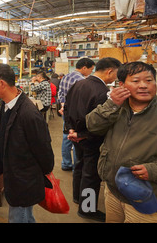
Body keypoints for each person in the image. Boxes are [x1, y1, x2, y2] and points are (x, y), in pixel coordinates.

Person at [86, 62, 157, 223]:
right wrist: (112, 104)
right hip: (113, 192)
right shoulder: (117, 109)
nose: (143, 86)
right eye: (136, 81)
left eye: (149, 80)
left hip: (147, 197)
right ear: (121, 85)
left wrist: (155, 170)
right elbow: (92, 125)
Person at [0, 63, 54, 223]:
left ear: (2, 83)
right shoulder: (5, 105)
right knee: (25, 217)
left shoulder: (28, 114)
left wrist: (39, 173)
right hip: (14, 178)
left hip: (24, 181)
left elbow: (43, 150)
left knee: (19, 217)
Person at [64, 57, 121, 222]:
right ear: (110, 71)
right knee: (91, 174)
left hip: (77, 135)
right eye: (116, 74)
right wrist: (80, 134)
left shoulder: (78, 84)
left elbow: (66, 107)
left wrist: (71, 129)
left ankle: (77, 197)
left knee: (79, 166)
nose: (116, 78)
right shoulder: (102, 92)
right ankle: (87, 209)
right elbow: (99, 122)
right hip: (91, 138)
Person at [58, 57, 95, 171]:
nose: (91, 72)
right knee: (76, 139)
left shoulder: (66, 77)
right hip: (76, 114)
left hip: (66, 112)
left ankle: (66, 163)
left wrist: (63, 107)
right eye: (91, 69)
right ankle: (76, 167)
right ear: (84, 68)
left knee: (66, 137)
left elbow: (60, 94)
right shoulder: (82, 80)